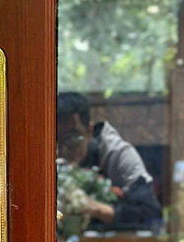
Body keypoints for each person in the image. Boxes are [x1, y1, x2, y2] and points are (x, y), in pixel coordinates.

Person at [57, 91, 162, 230]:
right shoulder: (42, 152)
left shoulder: (116, 153)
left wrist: (93, 207)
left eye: (73, 137)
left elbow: (151, 215)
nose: (63, 149)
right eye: (57, 139)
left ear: (89, 131)